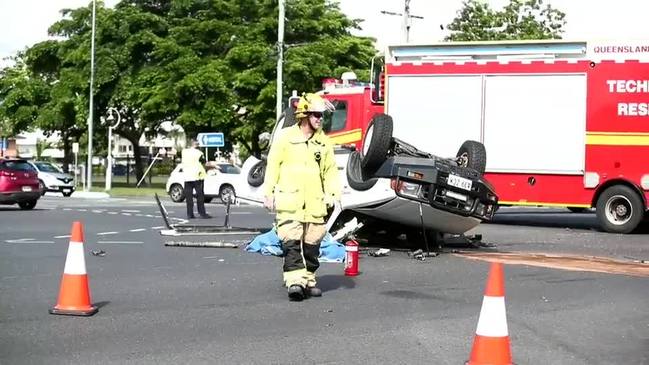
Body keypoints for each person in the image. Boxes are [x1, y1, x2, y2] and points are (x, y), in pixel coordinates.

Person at [263, 93, 341, 301]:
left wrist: (333, 194)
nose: (319, 119)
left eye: (321, 116)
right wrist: (268, 192)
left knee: (312, 246)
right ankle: (295, 282)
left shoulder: (323, 142)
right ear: (304, 115)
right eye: (316, 115)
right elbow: (273, 166)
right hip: (290, 202)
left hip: (315, 204)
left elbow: (330, 171)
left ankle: (308, 280)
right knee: (291, 244)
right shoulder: (286, 137)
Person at [181, 140, 212, 219]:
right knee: (200, 196)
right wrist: (214, 166)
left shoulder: (184, 152)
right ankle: (202, 213)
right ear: (196, 145)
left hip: (187, 177)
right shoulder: (199, 153)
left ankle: (190, 214)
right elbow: (205, 163)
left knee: (189, 197)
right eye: (198, 144)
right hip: (197, 176)